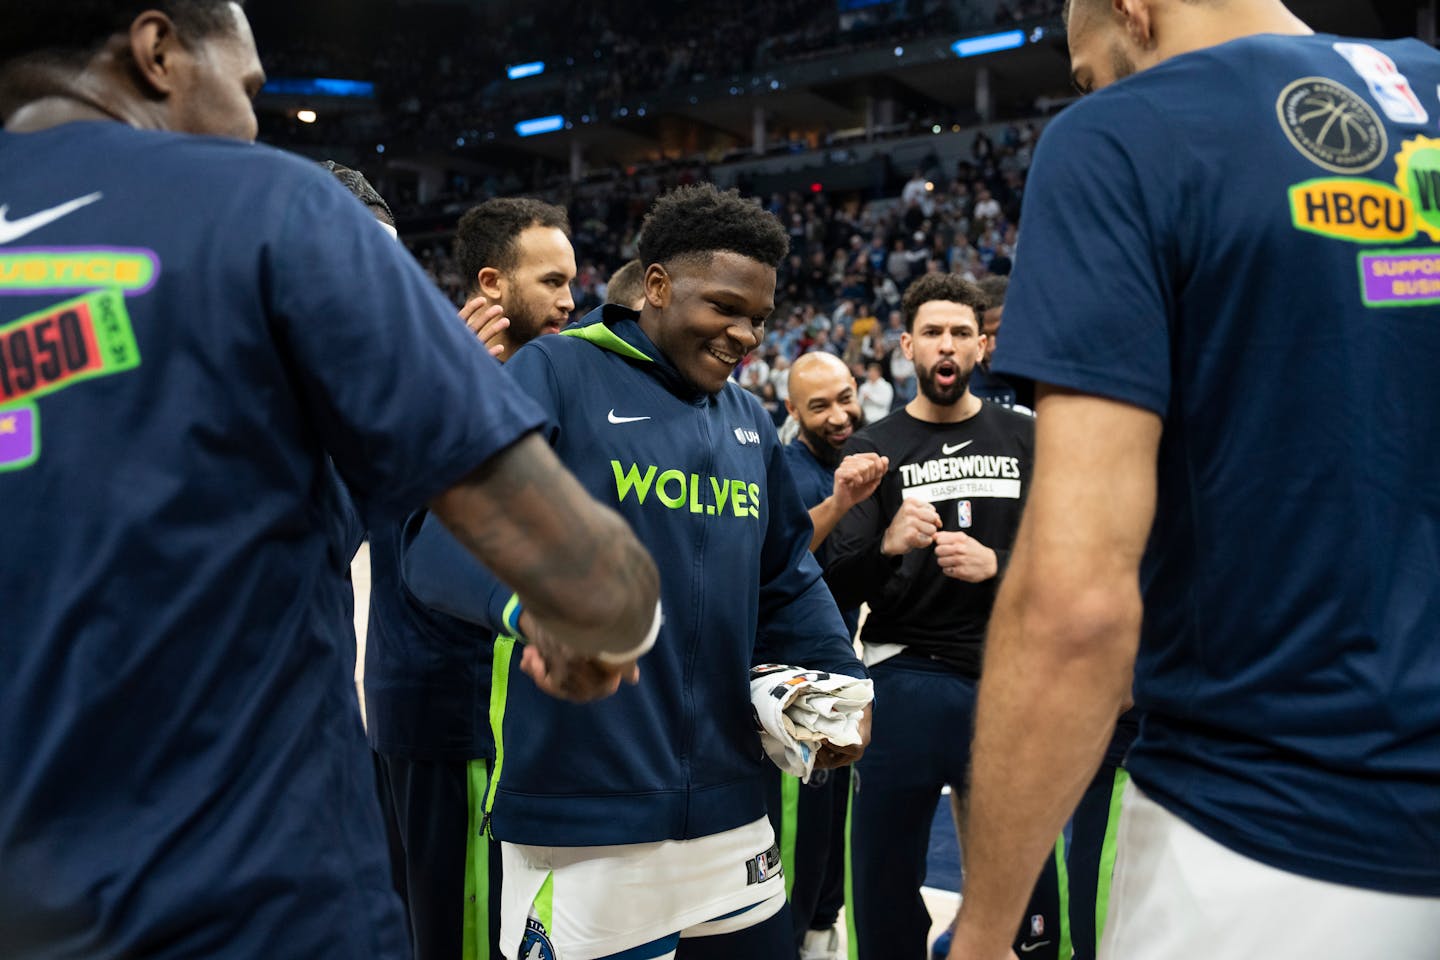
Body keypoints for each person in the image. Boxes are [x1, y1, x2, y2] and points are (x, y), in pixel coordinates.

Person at [0, 4, 660, 958]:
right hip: (246, 896)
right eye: (250, 88)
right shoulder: (268, 206)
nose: (256, 126)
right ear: (156, 51)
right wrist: (598, 619)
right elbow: (591, 581)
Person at [949, 2, 1440, 959]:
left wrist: (984, 932)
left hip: (1269, 845)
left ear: (1136, 9)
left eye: (1092, 73)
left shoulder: (1122, 139)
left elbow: (1076, 605)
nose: (1093, 93)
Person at [400, 183, 873, 960]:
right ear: (656, 286)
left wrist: (844, 686)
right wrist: (535, 612)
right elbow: (438, 540)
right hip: (583, 818)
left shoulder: (750, 421)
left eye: (759, 317)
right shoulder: (555, 371)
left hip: (733, 813)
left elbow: (784, 574)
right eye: (725, 306)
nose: (746, 334)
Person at [363, 195, 578, 960]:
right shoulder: (416, 375)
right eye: (551, 281)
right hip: (446, 710)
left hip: (483, 713)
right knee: (459, 936)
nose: (569, 299)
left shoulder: (538, 378)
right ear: (492, 286)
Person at [824, 274, 1053, 960]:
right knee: (886, 882)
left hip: (1007, 679)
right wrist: (886, 544)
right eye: (932, 332)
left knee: (1027, 886)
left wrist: (998, 564)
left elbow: (1071, 552)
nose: (946, 345)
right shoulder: (875, 443)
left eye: (960, 332)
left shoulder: (1026, 435)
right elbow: (835, 577)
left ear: (982, 346)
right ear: (906, 346)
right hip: (907, 676)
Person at [769, 352, 888, 959]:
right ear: (793, 412)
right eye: (820, 406)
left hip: (845, 676)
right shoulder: (785, 467)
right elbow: (782, 556)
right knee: (798, 843)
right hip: (795, 689)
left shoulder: (864, 458)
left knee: (828, 847)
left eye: (846, 396)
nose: (840, 414)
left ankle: (819, 933)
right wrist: (841, 502)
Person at [452, 197, 576, 361]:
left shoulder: (565, 377)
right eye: (552, 281)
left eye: (570, 283)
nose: (569, 303)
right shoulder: (434, 380)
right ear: (492, 283)